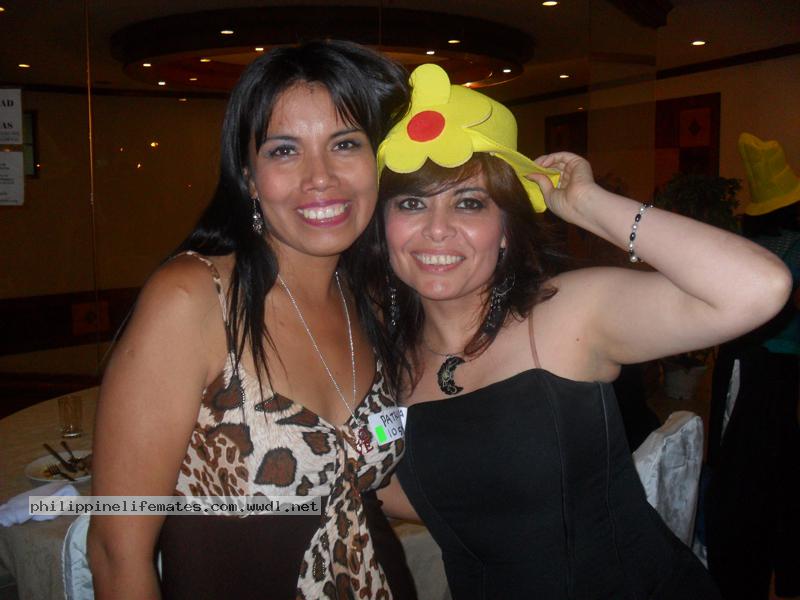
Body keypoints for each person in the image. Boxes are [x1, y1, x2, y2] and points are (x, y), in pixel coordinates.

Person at [363, 64, 791, 599]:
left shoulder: (566, 314)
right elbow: (403, 488)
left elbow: (760, 286)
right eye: (411, 203)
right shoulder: (382, 362)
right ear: (383, 226)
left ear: (506, 229)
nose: (437, 229)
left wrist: (588, 204)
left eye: (469, 203)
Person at [87, 41, 415, 600]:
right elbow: (117, 554)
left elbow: (373, 481)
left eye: (345, 144)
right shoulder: (194, 298)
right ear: (249, 176)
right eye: (284, 151)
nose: (320, 177)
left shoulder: (372, 301)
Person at [705, 132, 800, 600]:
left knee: (741, 470)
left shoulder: (746, 245)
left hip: (742, 364)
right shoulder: (793, 247)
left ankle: (738, 570)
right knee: (770, 472)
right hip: (773, 370)